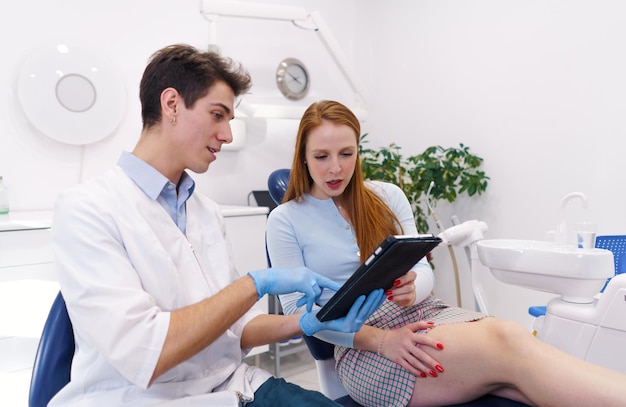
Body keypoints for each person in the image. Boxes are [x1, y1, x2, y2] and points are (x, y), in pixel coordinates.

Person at [49, 46, 384, 406]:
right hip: (143, 398)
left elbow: (237, 328)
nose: (226, 134)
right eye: (217, 115)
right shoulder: (88, 209)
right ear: (172, 104)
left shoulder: (205, 211)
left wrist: (309, 323)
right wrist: (256, 285)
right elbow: (144, 351)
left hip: (236, 386)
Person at [265, 99, 626, 407]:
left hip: (424, 313)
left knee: (518, 372)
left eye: (347, 154)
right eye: (322, 156)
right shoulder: (286, 219)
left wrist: (412, 287)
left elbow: (423, 271)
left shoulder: (386, 196)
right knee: (510, 343)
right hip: (364, 347)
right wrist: (380, 340)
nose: (336, 168)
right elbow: (300, 314)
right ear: (303, 156)